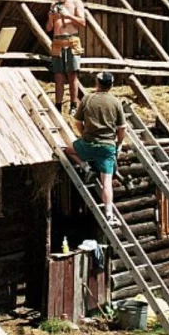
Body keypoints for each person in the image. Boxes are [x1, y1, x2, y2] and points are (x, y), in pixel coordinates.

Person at [64, 72, 125, 225]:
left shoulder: (87, 99)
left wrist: (84, 134)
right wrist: (119, 144)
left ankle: (85, 167)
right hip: (107, 147)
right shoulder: (116, 102)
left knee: (67, 150)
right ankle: (109, 214)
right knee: (107, 183)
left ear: (97, 83)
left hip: (88, 144)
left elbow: (77, 122)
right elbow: (122, 128)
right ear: (111, 85)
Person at [45, 0, 86, 113]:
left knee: (72, 74)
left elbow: (83, 22)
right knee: (58, 75)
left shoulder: (75, 2)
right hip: (57, 41)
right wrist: (51, 18)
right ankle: (58, 105)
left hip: (71, 40)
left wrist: (68, 16)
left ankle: (73, 105)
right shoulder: (53, 5)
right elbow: (48, 28)